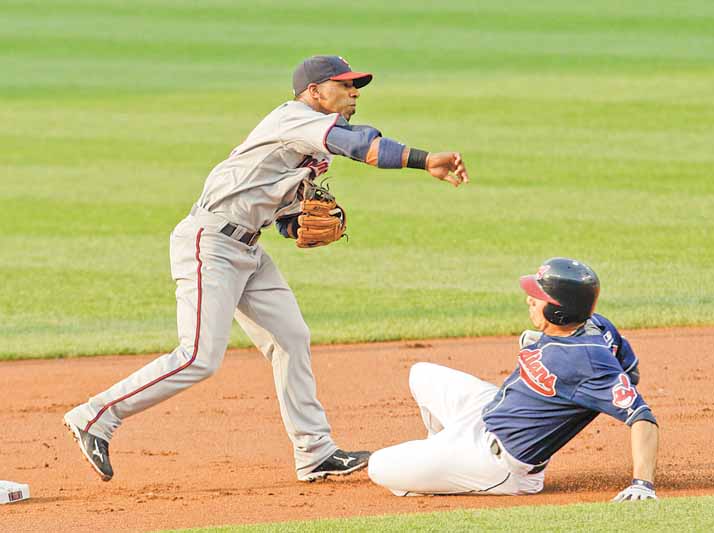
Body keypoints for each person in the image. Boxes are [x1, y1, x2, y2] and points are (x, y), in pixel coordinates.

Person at [63, 55, 470, 483]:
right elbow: (362, 146)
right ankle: (95, 417)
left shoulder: (314, 150)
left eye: (357, 87)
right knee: (199, 356)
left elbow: (284, 219)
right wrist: (425, 160)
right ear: (314, 92)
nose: (355, 93)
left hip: (249, 252)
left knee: (291, 338)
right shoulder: (295, 117)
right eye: (345, 86)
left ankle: (315, 453)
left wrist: (299, 227)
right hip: (211, 244)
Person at [368, 257, 660, 501]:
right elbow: (630, 371)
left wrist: (642, 484)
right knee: (421, 373)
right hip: (485, 415)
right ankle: (441, 453)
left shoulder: (587, 359)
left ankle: (447, 472)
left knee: (378, 466)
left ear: (559, 311)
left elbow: (641, 416)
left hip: (497, 463)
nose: (529, 300)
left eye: (539, 297)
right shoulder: (596, 324)